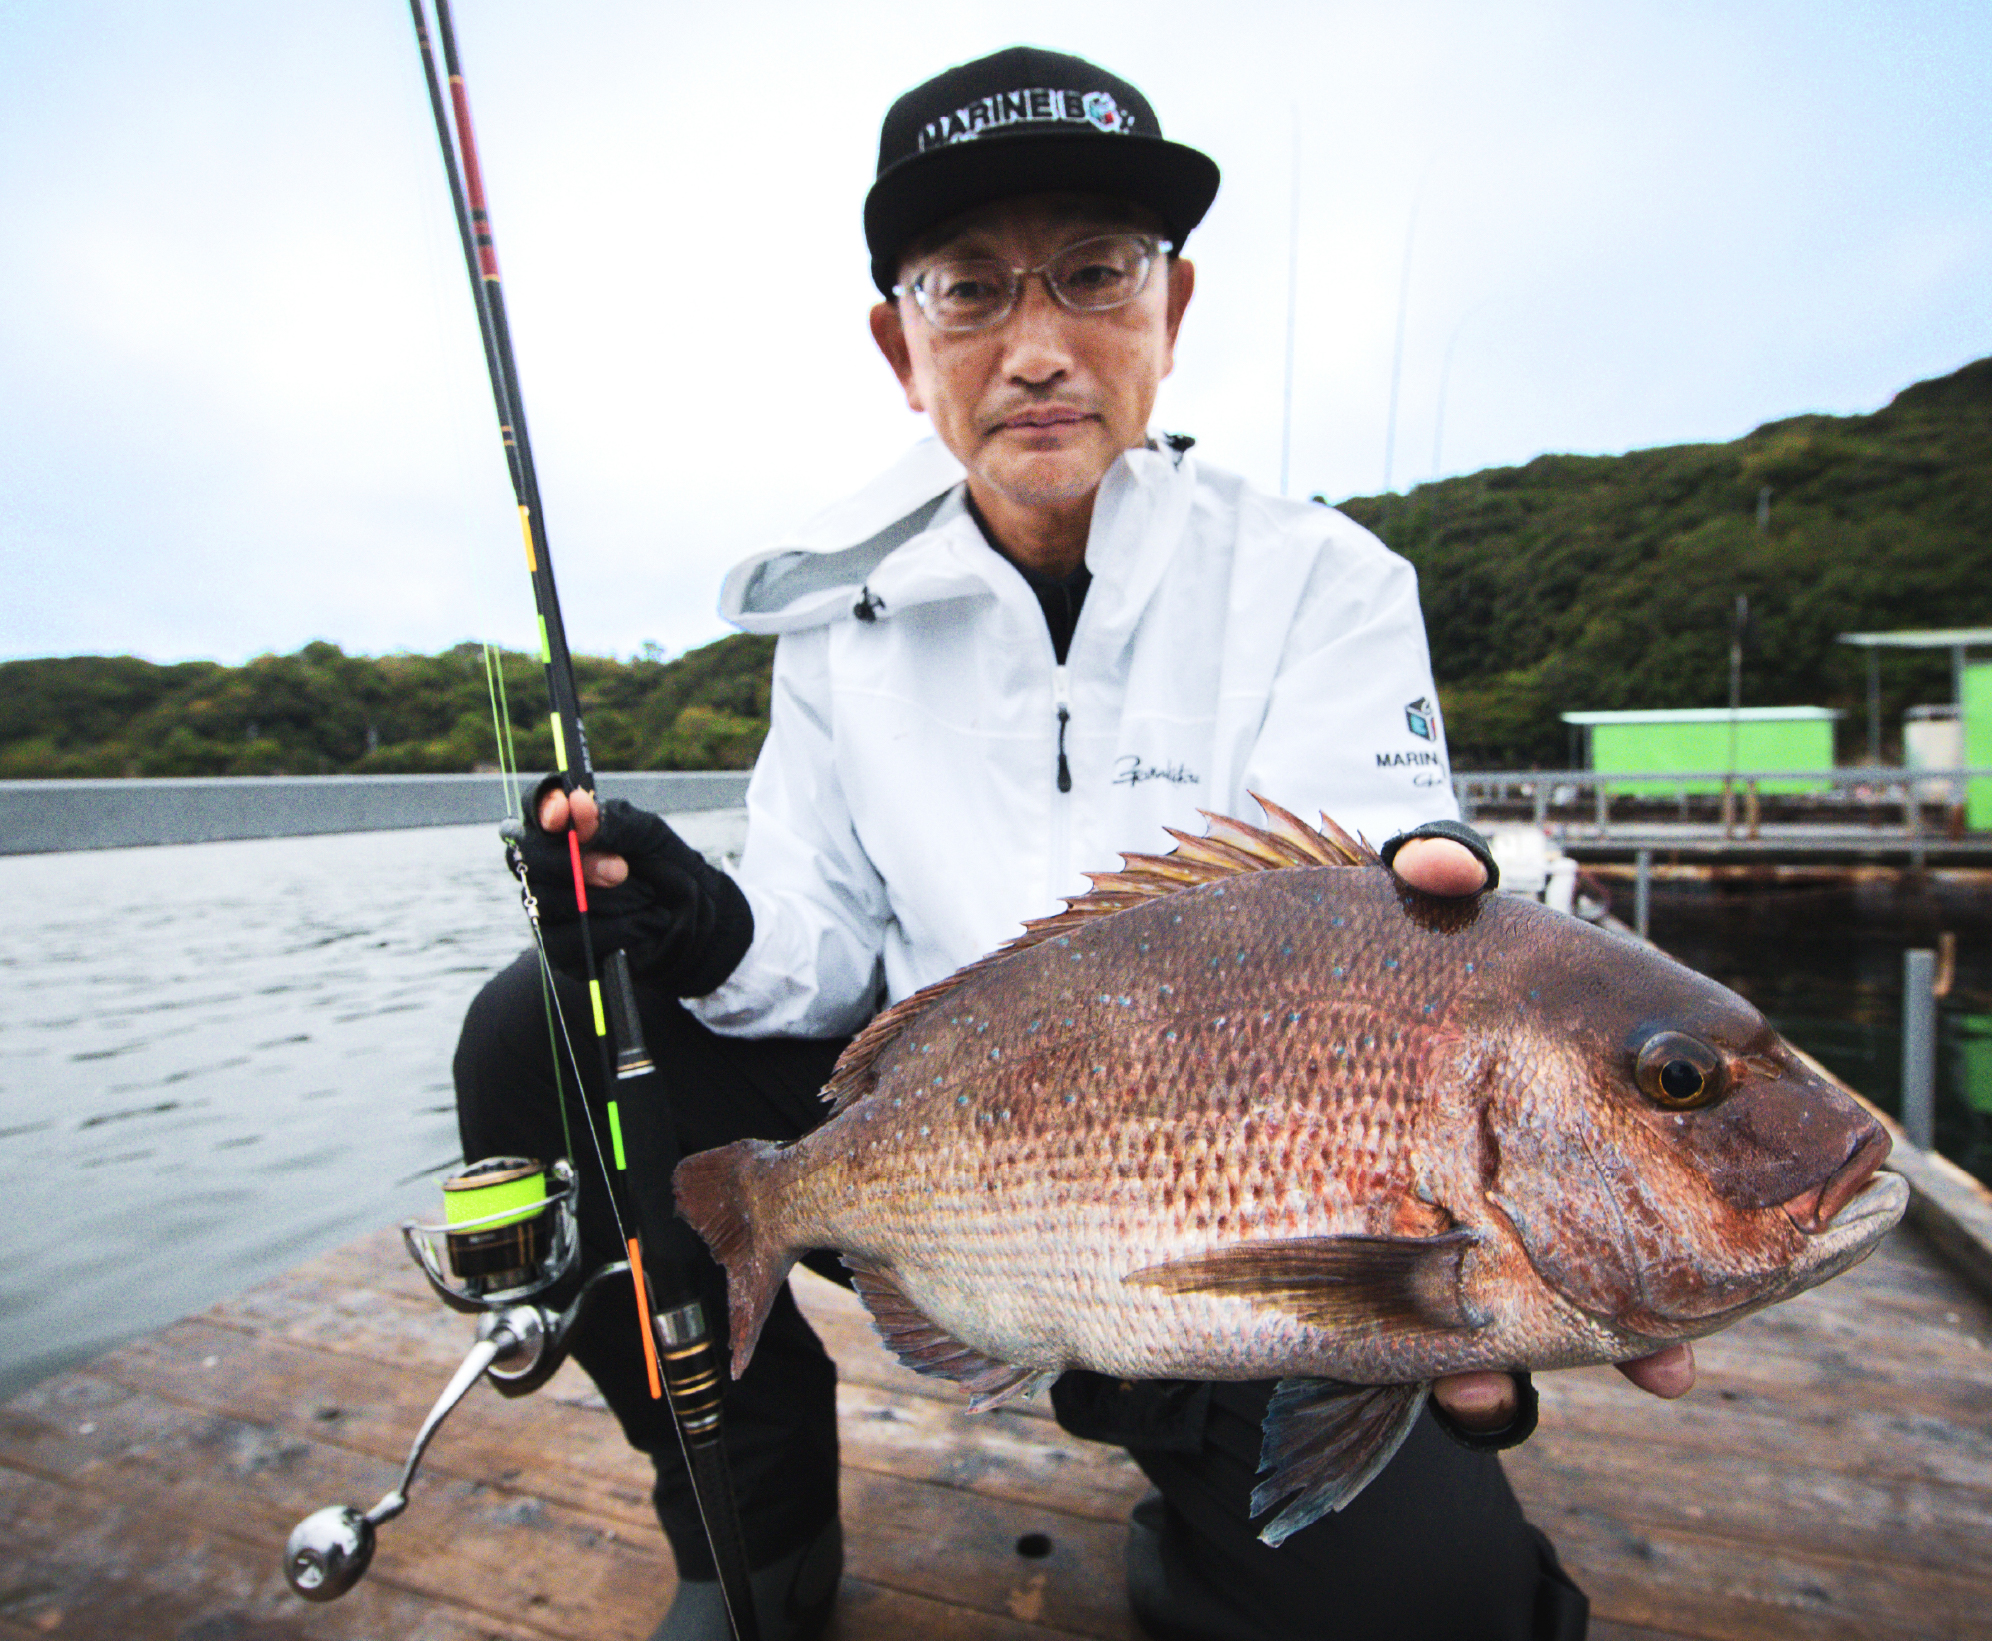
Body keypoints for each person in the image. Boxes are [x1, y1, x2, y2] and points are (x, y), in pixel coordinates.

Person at [455, 46, 1692, 1641]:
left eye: (1095, 273)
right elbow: (816, 951)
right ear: (903, 344)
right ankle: (745, 1530)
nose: (1037, 345)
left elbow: (1392, 933)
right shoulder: (834, 625)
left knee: (1448, 1617)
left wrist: (1493, 1246)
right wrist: (696, 918)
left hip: (1238, 1209)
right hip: (943, 1145)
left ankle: (1203, 1527)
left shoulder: (1328, 582)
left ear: (1170, 310)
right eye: (969, 290)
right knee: (541, 1027)